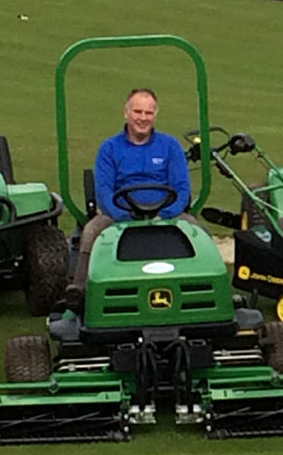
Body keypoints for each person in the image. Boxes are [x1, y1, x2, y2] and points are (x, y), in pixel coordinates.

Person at [66, 88, 198, 299]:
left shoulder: (170, 146)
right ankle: (79, 292)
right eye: (138, 112)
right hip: (120, 214)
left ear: (155, 115)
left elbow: (182, 190)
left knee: (197, 232)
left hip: (165, 213)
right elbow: (104, 191)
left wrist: (164, 214)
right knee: (91, 231)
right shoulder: (109, 148)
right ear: (126, 113)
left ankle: (203, 288)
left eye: (148, 113)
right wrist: (123, 215)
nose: (142, 118)